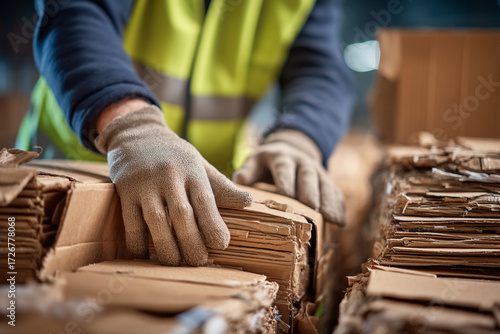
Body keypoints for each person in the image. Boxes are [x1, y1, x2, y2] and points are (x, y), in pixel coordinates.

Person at [22, 0, 354, 266]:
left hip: (199, 191)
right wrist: (132, 126)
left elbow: (319, 68)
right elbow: (75, 13)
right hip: (68, 177)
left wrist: (299, 136)